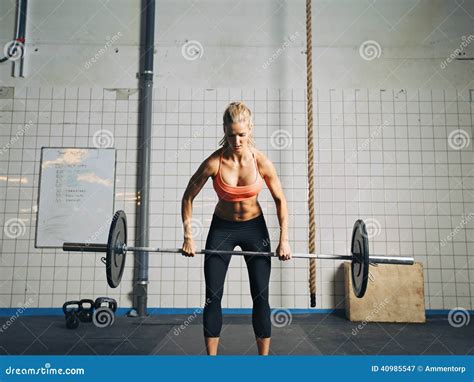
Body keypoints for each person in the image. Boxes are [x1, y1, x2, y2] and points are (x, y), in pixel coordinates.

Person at [181, 101, 291, 356]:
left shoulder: (261, 161)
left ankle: (263, 360)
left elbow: (280, 200)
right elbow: (188, 197)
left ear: (250, 129)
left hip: (255, 229)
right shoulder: (214, 163)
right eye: (231, 135)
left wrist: (284, 239)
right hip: (222, 230)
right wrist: (188, 236)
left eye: (242, 134)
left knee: (261, 296)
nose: (237, 140)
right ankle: (212, 362)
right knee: (213, 296)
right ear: (224, 130)